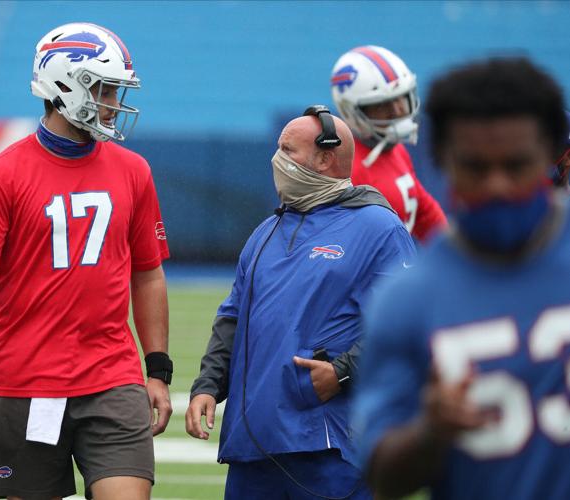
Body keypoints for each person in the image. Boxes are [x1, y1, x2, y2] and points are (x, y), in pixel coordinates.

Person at [0, 23, 171, 500]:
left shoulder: (133, 170)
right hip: (26, 382)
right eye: (106, 89)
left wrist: (157, 371)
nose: (114, 102)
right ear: (66, 85)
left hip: (112, 378)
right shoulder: (1, 176)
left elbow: (148, 273)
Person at [354, 57, 570, 500]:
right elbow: (381, 473)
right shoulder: (408, 296)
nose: (496, 185)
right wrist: (431, 430)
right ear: (443, 161)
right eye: (475, 167)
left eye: (516, 165)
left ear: (550, 156)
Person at [185, 106, 416, 500]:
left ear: (326, 158)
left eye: (288, 150)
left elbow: (409, 323)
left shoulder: (379, 228)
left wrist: (342, 372)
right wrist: (208, 385)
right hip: (253, 444)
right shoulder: (265, 231)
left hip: (328, 444)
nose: (277, 160)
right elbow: (233, 316)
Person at [331, 45, 447, 243]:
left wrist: (456, 254)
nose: (397, 111)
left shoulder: (395, 149)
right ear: (351, 111)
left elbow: (423, 212)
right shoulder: (345, 169)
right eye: (381, 104)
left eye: (400, 98)